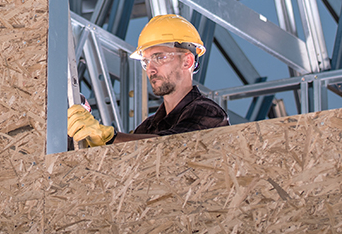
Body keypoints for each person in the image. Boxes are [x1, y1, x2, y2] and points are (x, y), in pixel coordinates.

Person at [67, 14, 229, 146]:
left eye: (159, 57)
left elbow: (174, 146)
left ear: (187, 61)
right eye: (146, 61)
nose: (150, 68)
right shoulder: (148, 127)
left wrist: (108, 137)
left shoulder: (209, 114)